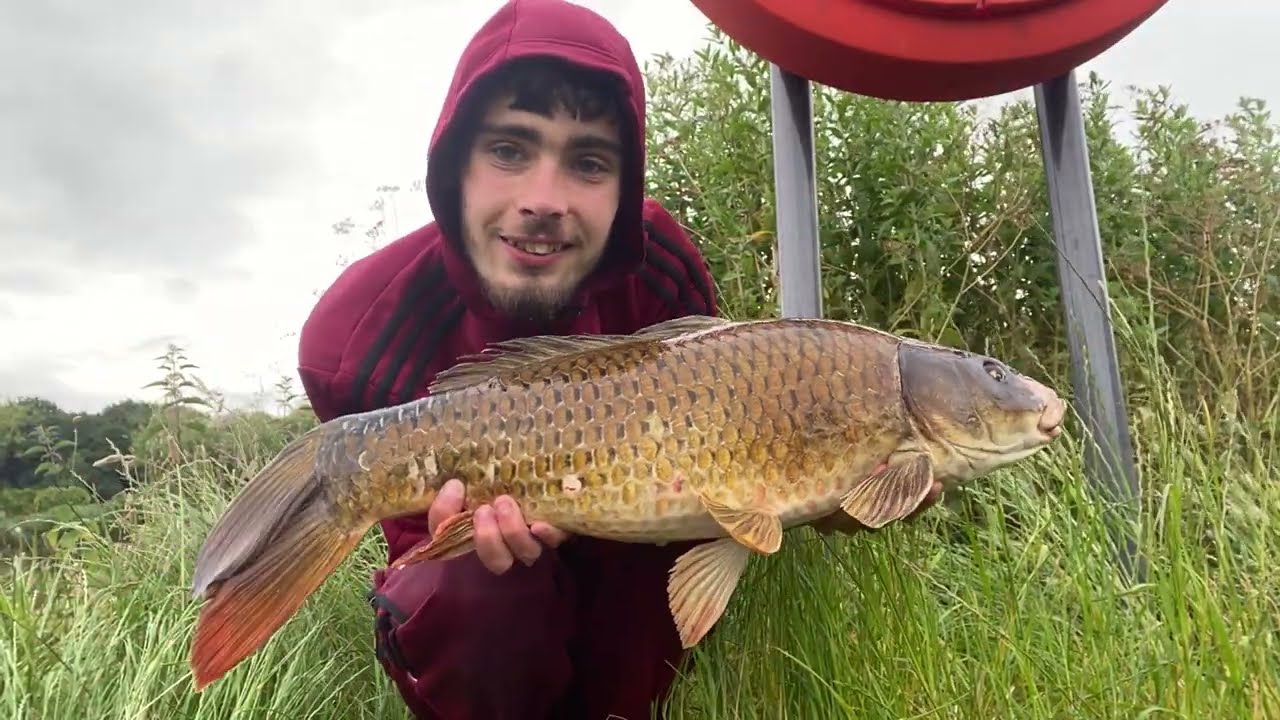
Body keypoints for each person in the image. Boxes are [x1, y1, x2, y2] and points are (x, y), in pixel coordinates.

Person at [297, 1, 942, 718]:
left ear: (625, 185)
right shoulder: (355, 332)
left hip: (633, 552)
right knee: (473, 589)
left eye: (589, 163)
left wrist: (824, 489)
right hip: (472, 593)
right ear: (455, 166)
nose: (544, 200)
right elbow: (415, 553)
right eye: (509, 150)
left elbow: (736, 442)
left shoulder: (660, 268)